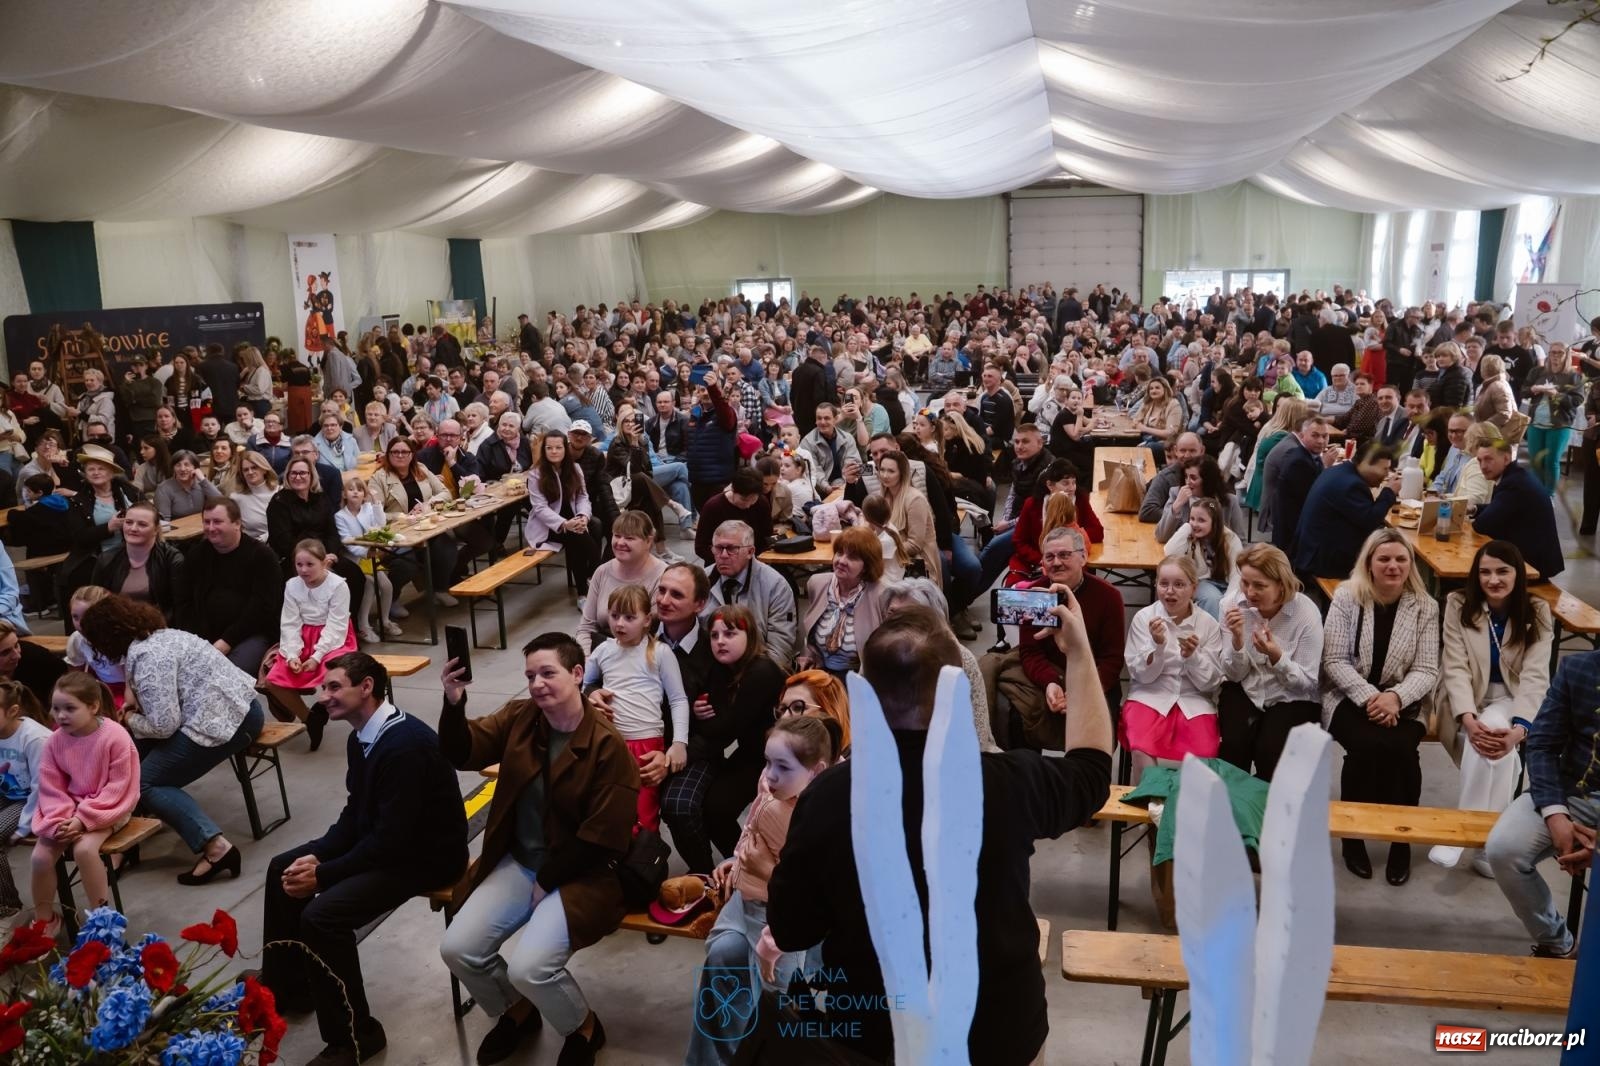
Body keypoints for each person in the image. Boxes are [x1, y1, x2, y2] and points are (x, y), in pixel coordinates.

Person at [766, 601, 1112, 1064]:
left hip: (879, 1034)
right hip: (1000, 1032)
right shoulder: (1007, 783)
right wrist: (1079, 651)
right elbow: (1091, 769)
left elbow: (791, 928)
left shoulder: (829, 797)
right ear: (959, 689)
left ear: (863, 692)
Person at [437, 634, 637, 1066]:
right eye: (530, 675)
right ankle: (517, 1009)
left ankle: (583, 1026)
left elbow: (603, 837)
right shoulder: (522, 718)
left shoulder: (607, 745)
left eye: (548, 673)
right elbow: (462, 750)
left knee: (529, 967)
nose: (537, 684)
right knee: (458, 948)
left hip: (580, 875)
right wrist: (454, 702)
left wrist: (546, 882)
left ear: (578, 674)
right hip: (522, 862)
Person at [262, 652, 467, 1065]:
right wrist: (318, 854)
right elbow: (358, 813)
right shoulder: (363, 736)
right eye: (323, 688)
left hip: (426, 856)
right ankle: (291, 988)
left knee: (322, 918)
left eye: (334, 687)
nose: (323, 697)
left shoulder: (404, 746)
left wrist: (324, 876)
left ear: (367, 687)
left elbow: (391, 842)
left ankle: (355, 1037)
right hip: (392, 843)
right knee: (282, 867)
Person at [684, 715, 835, 1063]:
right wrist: (737, 861)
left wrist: (765, 871)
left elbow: (812, 886)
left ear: (817, 768)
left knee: (777, 999)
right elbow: (751, 832)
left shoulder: (815, 811)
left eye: (782, 766)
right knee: (727, 960)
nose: (769, 774)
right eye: (768, 762)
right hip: (750, 901)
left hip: (784, 915)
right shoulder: (775, 790)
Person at [1322, 529, 1440, 886]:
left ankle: (1402, 838)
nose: (1393, 566)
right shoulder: (1347, 597)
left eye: (1401, 559)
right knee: (1366, 746)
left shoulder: (1426, 606)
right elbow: (1334, 660)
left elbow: (1427, 668)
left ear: (1411, 564)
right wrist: (1372, 698)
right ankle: (1353, 836)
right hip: (1348, 694)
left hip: (1405, 699)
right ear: (1369, 563)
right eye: (1384, 559)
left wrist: (1396, 698)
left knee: (1402, 749)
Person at [1434, 542, 1552, 875]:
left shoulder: (1537, 610)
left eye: (1502, 571)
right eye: (1485, 572)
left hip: (1513, 699)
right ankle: (1491, 844)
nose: (1493, 579)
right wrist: (1468, 720)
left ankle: (1463, 835)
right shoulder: (1458, 604)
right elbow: (1455, 668)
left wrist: (1520, 729)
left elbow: (1535, 675)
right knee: (1495, 753)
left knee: (1497, 733)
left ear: (1518, 574)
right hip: (1467, 698)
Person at [1483, 645, 1598, 960]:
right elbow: (1543, 745)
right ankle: (1559, 943)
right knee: (1504, 849)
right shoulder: (1578, 669)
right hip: (1573, 791)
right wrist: (1555, 813)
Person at [28, 672, 139, 937]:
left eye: (70, 708)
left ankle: (101, 920)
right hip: (68, 811)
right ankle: (45, 920)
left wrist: (83, 818)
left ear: (93, 707)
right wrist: (60, 819)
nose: (61, 716)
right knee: (40, 856)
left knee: (85, 850)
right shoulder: (55, 741)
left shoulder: (115, 737)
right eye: (56, 708)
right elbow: (51, 787)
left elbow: (119, 788)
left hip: (110, 809)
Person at [581, 584, 689, 831]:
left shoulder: (660, 653)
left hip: (645, 745)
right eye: (615, 616)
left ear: (647, 620)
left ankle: (644, 864)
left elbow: (678, 699)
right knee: (609, 811)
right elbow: (583, 684)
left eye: (630, 617)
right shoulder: (603, 650)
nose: (620, 624)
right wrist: (591, 694)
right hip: (609, 742)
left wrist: (679, 742)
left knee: (643, 815)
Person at [1215, 544, 1324, 781]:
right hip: (1245, 685)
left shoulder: (1306, 614)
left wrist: (1277, 657)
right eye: (1245, 582)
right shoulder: (1230, 606)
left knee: (1272, 753)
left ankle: (1269, 811)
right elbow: (1233, 675)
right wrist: (1236, 641)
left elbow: (1308, 683)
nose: (1249, 592)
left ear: (1281, 586)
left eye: (1260, 586)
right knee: (1233, 746)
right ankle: (1233, 809)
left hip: (1291, 696)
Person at [1121, 555, 1225, 782]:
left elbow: (1211, 683)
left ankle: (1187, 811)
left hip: (1193, 700)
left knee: (1205, 756)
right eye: (1164, 584)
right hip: (1149, 696)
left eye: (1179, 585)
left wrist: (1192, 657)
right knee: (1142, 750)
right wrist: (1157, 646)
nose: (1170, 591)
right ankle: (1150, 808)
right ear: (1156, 585)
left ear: (1194, 589)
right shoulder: (1144, 618)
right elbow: (1140, 676)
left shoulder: (1207, 624)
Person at [260, 539, 355, 749]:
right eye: (299, 565)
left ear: (324, 563)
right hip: (303, 639)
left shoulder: (338, 586)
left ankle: (329, 707)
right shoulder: (292, 586)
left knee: (334, 672)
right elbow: (290, 623)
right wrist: (293, 654)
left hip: (333, 640)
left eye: (310, 564)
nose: (303, 570)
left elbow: (336, 625)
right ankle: (310, 719)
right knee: (273, 680)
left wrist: (316, 656)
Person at [181, 499, 284, 674]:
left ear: (237, 524)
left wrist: (226, 641)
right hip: (204, 634)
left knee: (225, 677)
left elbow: (262, 609)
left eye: (218, 522)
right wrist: (194, 640)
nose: (211, 528)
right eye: (207, 522)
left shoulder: (262, 557)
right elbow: (185, 602)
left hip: (251, 634)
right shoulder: (197, 555)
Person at [367, 436, 458, 605]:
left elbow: (445, 493)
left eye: (404, 452)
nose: (400, 455)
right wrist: (403, 516)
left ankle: (439, 589)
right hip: (397, 533)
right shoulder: (378, 478)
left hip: (426, 527)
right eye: (395, 452)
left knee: (448, 546)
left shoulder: (421, 469)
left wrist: (427, 504)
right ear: (388, 454)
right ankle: (391, 600)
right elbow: (373, 514)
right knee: (406, 563)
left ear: (412, 454)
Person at [1293, 442, 1402, 580]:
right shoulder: (1351, 485)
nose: (1387, 475)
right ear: (1366, 463)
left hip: (1312, 548)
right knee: (1386, 560)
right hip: (1324, 560)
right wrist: (1389, 492)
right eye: (1384, 469)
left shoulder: (1340, 471)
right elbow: (1370, 521)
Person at [699, 520, 798, 667]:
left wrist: (753, 676)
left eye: (732, 549)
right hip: (709, 667)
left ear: (750, 552)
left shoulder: (776, 586)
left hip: (758, 668)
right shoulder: (701, 581)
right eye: (718, 548)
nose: (724, 555)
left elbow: (780, 646)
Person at [798, 526, 885, 680]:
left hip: (859, 677)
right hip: (820, 671)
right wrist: (808, 657)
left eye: (852, 557)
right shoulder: (817, 584)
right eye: (839, 553)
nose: (841, 561)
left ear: (867, 566)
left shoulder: (880, 595)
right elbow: (810, 638)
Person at [1471, 437, 1565, 580]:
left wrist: (1473, 517)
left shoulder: (1513, 485)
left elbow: (1481, 525)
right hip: (1534, 560)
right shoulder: (1516, 476)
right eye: (1479, 460)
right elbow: (1500, 509)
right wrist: (1474, 509)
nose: (1483, 466)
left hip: (1532, 567)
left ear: (1506, 459)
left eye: (1488, 459)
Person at [576, 511, 667, 654]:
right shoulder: (602, 572)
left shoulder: (663, 576)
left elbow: (659, 632)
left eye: (630, 538)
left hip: (643, 655)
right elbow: (586, 627)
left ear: (648, 541)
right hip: (600, 653)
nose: (620, 543)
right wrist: (587, 659)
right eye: (617, 535)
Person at [524, 430, 599, 595]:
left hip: (573, 519)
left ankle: (591, 577)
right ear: (544, 450)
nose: (554, 452)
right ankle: (584, 591)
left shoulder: (575, 469)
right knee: (577, 539)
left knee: (595, 525)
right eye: (549, 448)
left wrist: (583, 517)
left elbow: (582, 497)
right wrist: (565, 524)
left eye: (558, 447)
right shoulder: (536, 474)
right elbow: (540, 508)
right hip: (549, 527)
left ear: (565, 449)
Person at [90, 501, 187, 622]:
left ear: (156, 529)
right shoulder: (106, 559)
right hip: (118, 630)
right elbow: (95, 603)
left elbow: (181, 607)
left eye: (142, 524)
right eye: (129, 522)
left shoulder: (172, 559)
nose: (133, 528)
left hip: (160, 631)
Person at [335, 474, 402, 644]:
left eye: (359, 490)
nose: (355, 493)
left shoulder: (368, 509)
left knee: (386, 586)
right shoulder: (340, 516)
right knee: (369, 584)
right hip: (355, 559)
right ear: (344, 494)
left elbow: (380, 525)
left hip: (370, 558)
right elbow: (346, 541)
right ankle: (363, 625)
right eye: (350, 489)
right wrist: (365, 553)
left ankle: (384, 620)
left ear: (364, 495)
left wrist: (376, 503)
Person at [0, 681, 47, 918]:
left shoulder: (34, 738)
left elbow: (42, 788)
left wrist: (23, 827)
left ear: (13, 711)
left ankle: (9, 910)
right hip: (8, 794)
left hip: (31, 800)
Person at [1522, 341, 1583, 496]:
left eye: (1560, 353)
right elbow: (1523, 391)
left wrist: (1557, 395)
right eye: (1552, 352)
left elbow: (1576, 401)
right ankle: (1537, 494)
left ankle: (1549, 495)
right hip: (1536, 422)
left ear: (1567, 355)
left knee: (1551, 461)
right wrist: (1532, 390)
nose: (1555, 356)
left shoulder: (1573, 376)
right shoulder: (1538, 372)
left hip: (1559, 424)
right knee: (1536, 461)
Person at [1163, 496, 1241, 617]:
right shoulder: (1188, 535)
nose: (1195, 524)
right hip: (1201, 581)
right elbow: (1170, 553)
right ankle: (1214, 634)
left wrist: (1229, 600)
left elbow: (1237, 574)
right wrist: (1186, 527)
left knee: (1236, 602)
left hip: (1226, 582)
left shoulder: (1230, 539)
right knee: (1212, 599)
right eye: (1192, 518)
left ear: (1214, 522)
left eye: (1201, 520)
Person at [694, 466, 773, 564]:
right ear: (733, 489)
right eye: (743, 500)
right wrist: (726, 559)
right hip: (721, 563)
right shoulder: (713, 507)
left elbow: (767, 537)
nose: (748, 505)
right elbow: (701, 547)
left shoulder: (761, 504)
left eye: (753, 500)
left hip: (753, 561)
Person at [1137, 431, 1206, 523]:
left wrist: (1210, 511)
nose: (1187, 455)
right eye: (1183, 450)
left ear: (1202, 451)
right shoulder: (1166, 477)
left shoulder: (1211, 473)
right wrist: (1179, 514)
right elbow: (1147, 511)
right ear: (1176, 451)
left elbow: (1219, 505)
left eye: (1192, 451)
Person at [154, 448, 221, 520]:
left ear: (195, 467)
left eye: (187, 465)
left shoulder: (202, 484)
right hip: (179, 530)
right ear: (173, 468)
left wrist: (202, 479)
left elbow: (221, 503)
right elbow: (164, 522)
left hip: (204, 527)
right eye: (178, 465)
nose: (182, 469)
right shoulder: (164, 489)